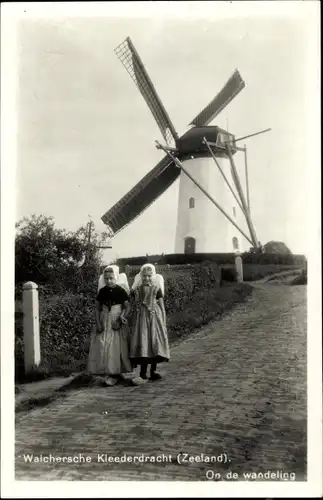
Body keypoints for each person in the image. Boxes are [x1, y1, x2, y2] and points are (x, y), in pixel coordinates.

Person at [87, 265, 132, 386]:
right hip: (105, 319)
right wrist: (98, 322)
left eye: (111, 278)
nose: (109, 281)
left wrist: (122, 316)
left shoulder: (121, 291)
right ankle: (108, 371)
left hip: (116, 320)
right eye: (106, 278)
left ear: (116, 278)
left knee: (116, 346)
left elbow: (127, 307)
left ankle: (116, 372)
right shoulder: (102, 292)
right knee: (104, 344)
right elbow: (97, 308)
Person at [129, 263, 169, 386]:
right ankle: (142, 372)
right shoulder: (137, 289)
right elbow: (130, 303)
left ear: (153, 276)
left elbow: (161, 306)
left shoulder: (156, 289)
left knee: (154, 342)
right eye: (144, 276)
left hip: (154, 319)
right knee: (144, 343)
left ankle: (153, 370)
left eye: (149, 276)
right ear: (141, 276)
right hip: (141, 319)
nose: (146, 278)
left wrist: (163, 320)